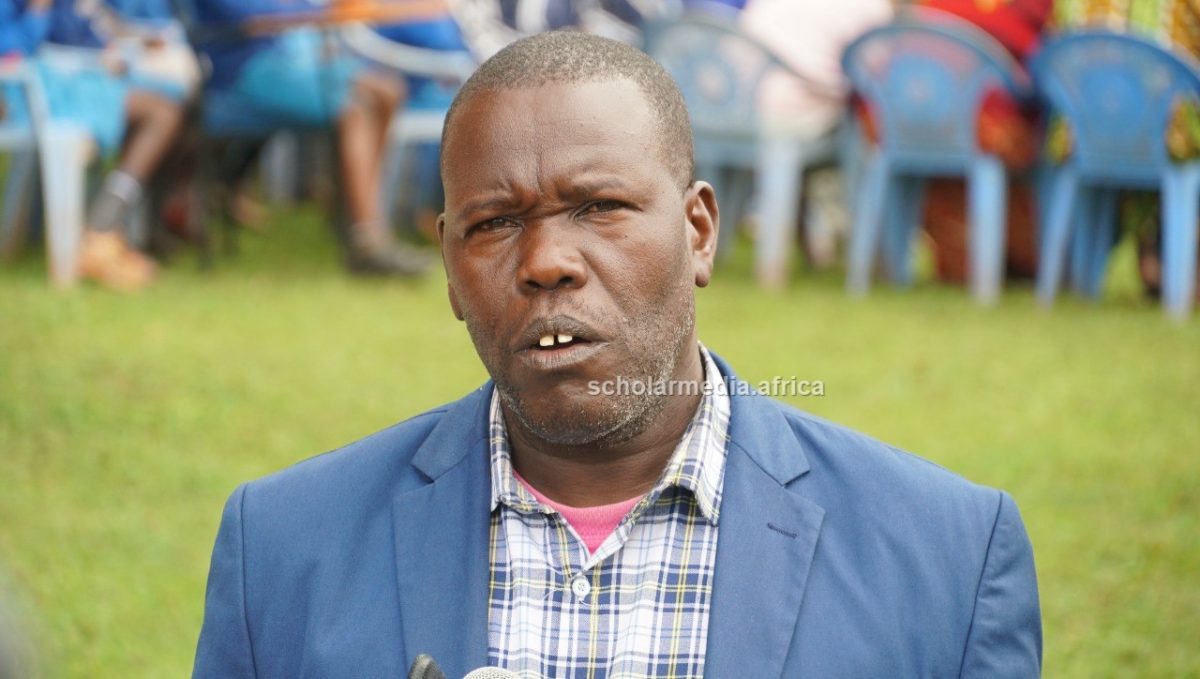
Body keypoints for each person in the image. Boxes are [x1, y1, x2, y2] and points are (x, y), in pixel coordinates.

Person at [193, 31, 1041, 678]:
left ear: (699, 231)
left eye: (598, 206)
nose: (546, 261)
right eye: (493, 224)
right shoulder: (283, 550)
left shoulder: (948, 559)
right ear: (450, 269)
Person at [191, 0, 442, 275]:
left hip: (291, 60)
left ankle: (353, 212)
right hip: (245, 70)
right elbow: (254, 17)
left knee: (388, 90)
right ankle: (368, 242)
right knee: (354, 109)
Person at [1, 0, 189, 290]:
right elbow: (13, 51)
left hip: (70, 84)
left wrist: (110, 52)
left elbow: (80, 35)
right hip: (30, 96)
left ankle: (109, 233)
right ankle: (102, 230)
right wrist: (38, 11)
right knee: (161, 115)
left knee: (174, 97)